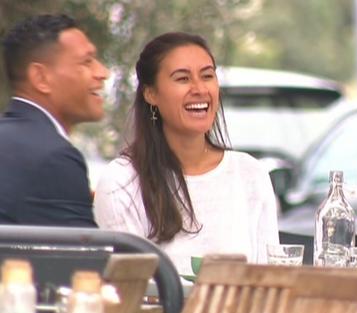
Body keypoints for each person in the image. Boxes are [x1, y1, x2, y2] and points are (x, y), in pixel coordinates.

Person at [93, 32, 278, 274]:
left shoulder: (250, 173)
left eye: (207, 76)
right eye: (182, 78)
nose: (200, 89)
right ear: (151, 94)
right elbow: (127, 291)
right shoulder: (121, 181)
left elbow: (270, 278)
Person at [0, 14, 108, 226]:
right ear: (41, 78)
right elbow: (81, 258)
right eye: (87, 62)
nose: (103, 72)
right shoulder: (54, 158)